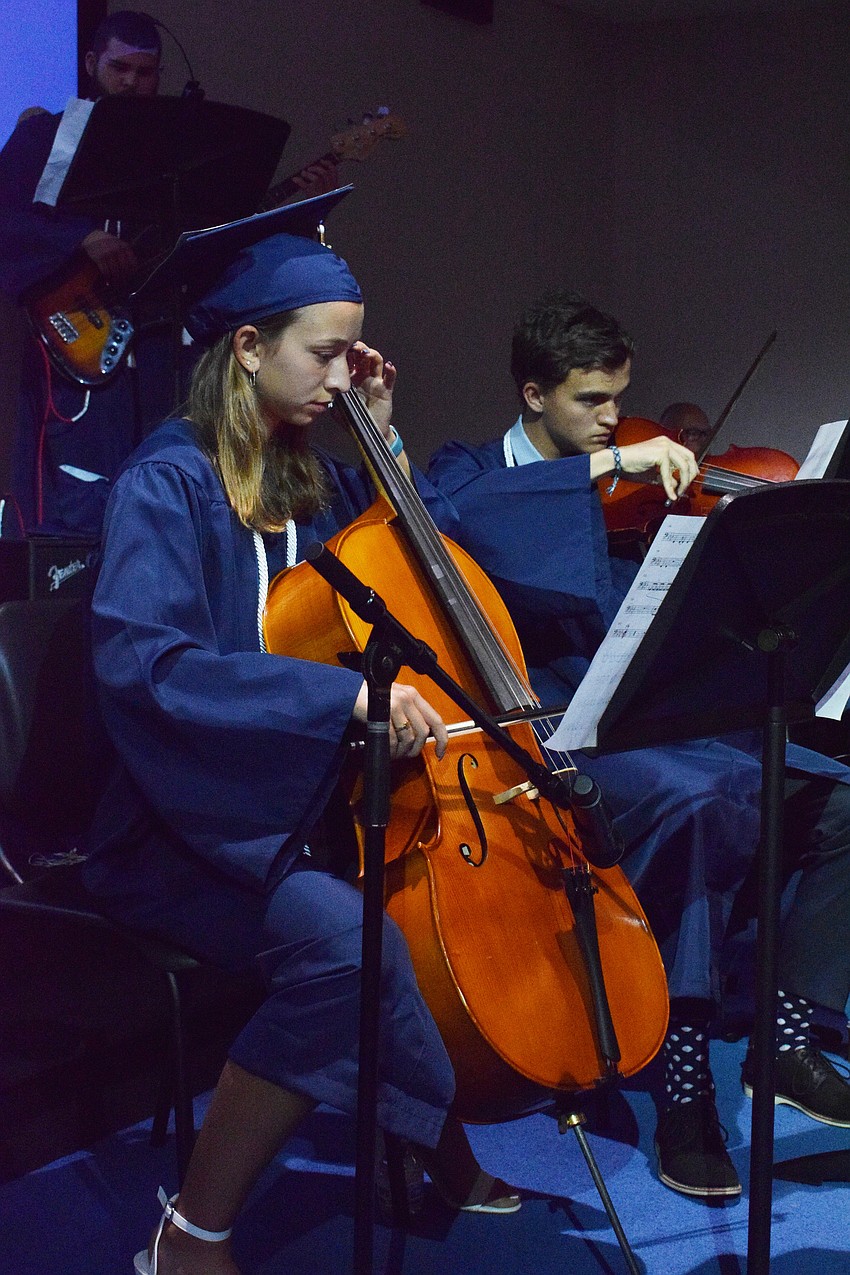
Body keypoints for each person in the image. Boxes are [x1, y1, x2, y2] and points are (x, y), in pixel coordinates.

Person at [82, 212, 520, 1275]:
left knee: (410, 914)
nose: (340, 376)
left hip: (306, 801)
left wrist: (381, 435)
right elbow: (149, 667)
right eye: (324, 354)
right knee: (347, 945)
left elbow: (424, 567)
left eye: (351, 355)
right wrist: (343, 702)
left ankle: (417, 1135)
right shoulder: (169, 481)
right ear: (247, 346)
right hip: (180, 824)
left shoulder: (312, 474)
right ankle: (190, 1233)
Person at [427, 289, 850, 1200]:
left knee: (835, 795)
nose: (612, 419)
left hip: (648, 712)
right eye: (591, 401)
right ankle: (684, 1089)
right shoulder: (468, 469)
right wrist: (610, 462)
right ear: (534, 394)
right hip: (547, 729)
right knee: (703, 805)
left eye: (619, 401)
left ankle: (780, 1038)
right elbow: (452, 511)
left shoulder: (627, 492)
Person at [0, 10, 338, 538]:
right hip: (79, 338)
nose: (132, 83)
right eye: (119, 69)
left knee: (162, 478)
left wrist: (302, 209)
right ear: (90, 64)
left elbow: (218, 243)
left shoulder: (183, 156)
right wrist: (81, 238)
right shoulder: (45, 135)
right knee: (77, 488)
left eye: (145, 72)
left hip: (161, 346)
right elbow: (5, 219)